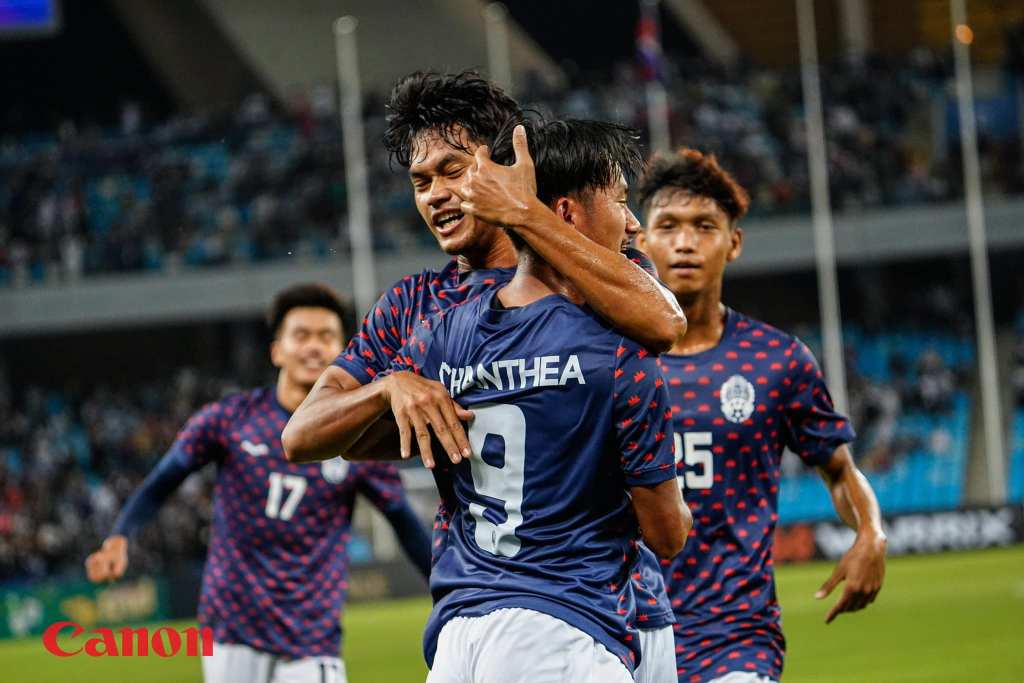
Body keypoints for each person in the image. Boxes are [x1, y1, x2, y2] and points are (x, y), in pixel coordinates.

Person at [282, 72, 685, 681]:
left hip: (625, 601)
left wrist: (526, 216)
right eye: (422, 181)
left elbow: (664, 323)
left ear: (505, 166)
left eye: (454, 170)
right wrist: (389, 386)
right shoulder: (414, 305)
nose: (437, 195)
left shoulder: (591, 269)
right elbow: (303, 434)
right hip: (500, 603)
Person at [85, 283, 431, 683]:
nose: (314, 347)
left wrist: (447, 590)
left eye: (326, 337)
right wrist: (121, 535)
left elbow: (405, 524)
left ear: (343, 351)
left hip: (311, 635)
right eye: (301, 335)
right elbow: (165, 479)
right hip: (232, 626)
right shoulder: (228, 420)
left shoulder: (360, 440)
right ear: (276, 350)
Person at [633, 149, 887, 683]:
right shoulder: (607, 357)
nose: (685, 242)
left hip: (735, 636)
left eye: (705, 226)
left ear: (734, 242)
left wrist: (871, 533)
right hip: (622, 631)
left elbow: (838, 469)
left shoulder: (778, 360)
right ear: (641, 241)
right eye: (669, 226)